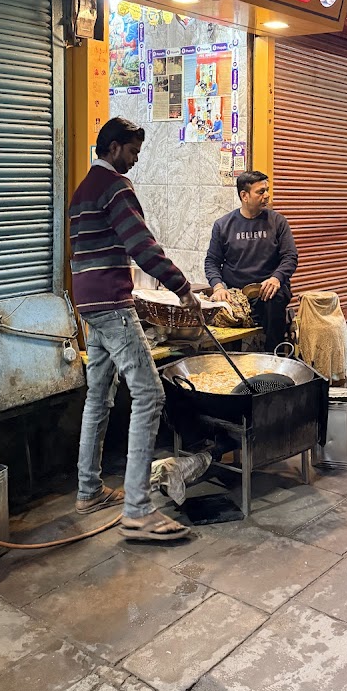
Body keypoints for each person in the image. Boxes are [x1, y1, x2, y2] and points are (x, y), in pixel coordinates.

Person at [69, 117, 200, 541]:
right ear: (112, 148)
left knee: (98, 396)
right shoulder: (115, 189)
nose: (137, 157)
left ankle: (88, 490)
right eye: (132, 149)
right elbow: (141, 245)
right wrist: (182, 287)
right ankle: (138, 510)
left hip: (87, 304)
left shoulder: (82, 190)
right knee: (150, 394)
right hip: (111, 303)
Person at [205, 170, 298, 352]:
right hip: (236, 294)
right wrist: (218, 287)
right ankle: (230, 365)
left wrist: (276, 278)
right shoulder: (223, 225)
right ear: (244, 195)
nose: (267, 196)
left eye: (267, 190)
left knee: (275, 299)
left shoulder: (278, 222)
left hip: (267, 291)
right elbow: (212, 261)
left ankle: (274, 357)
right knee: (218, 312)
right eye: (261, 192)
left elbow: (290, 257)